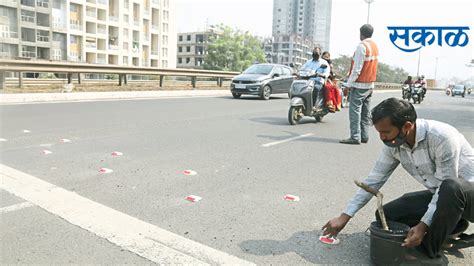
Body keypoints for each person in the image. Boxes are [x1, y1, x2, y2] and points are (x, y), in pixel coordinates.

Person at [323, 98, 474, 259]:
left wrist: (422, 226)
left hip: (467, 197)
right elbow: (374, 180)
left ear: (407, 126)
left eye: (386, 132)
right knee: (389, 214)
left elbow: (446, 186)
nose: (382, 137)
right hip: (445, 198)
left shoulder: (442, 137)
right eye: (379, 132)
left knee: (450, 187)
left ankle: (428, 254)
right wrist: (344, 216)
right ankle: (453, 228)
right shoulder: (394, 145)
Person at [340, 24, 379, 145]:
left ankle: (355, 137)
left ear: (361, 33)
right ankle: (364, 135)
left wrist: (348, 85)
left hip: (359, 85)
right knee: (365, 112)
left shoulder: (362, 47)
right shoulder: (374, 46)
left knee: (355, 111)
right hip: (370, 85)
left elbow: (357, 69)